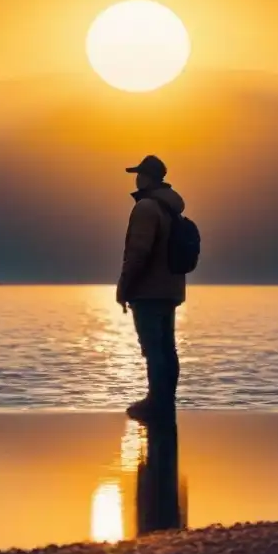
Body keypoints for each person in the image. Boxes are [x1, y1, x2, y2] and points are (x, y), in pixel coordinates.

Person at [116, 155, 186, 422]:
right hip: (170, 289)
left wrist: (124, 287)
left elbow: (138, 252)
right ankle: (165, 401)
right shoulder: (171, 208)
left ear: (147, 178)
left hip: (148, 290)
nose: (137, 178)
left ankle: (156, 402)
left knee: (153, 348)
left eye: (139, 174)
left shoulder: (146, 208)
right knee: (166, 347)